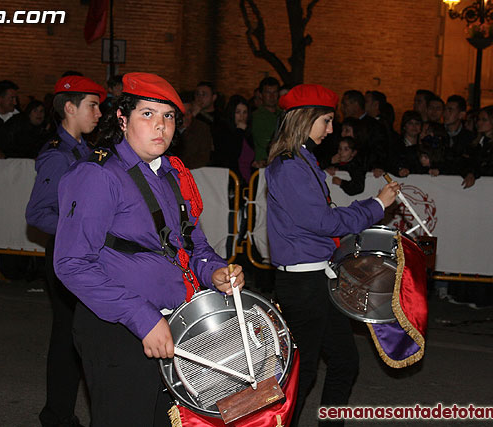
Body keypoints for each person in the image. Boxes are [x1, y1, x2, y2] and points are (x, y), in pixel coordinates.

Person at [53, 73, 245, 426]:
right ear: (123, 120)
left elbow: (192, 245)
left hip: (175, 324)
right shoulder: (98, 175)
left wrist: (215, 270)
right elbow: (72, 264)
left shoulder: (172, 174)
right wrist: (143, 318)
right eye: (148, 114)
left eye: (168, 116)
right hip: (117, 328)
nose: (160, 126)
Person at [265, 83, 399, 427]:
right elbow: (321, 221)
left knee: (343, 363)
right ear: (304, 119)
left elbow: (321, 216)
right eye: (325, 120)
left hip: (318, 277)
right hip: (303, 281)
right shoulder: (290, 165)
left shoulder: (304, 159)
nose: (330, 129)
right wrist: (375, 206)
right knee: (303, 372)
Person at [25, 75, 106, 427]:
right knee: (67, 337)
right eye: (93, 105)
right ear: (70, 108)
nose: (99, 113)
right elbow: (38, 213)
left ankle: (61, 413)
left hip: (84, 253)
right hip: (66, 254)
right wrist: (78, 230)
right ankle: (56, 415)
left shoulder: (85, 151)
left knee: (80, 335)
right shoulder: (58, 156)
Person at [212, 94, 255, 183]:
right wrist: (239, 131)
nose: (242, 116)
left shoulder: (247, 133)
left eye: (245, 112)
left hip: (248, 180)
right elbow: (231, 155)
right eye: (238, 112)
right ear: (232, 113)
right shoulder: (222, 131)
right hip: (232, 180)